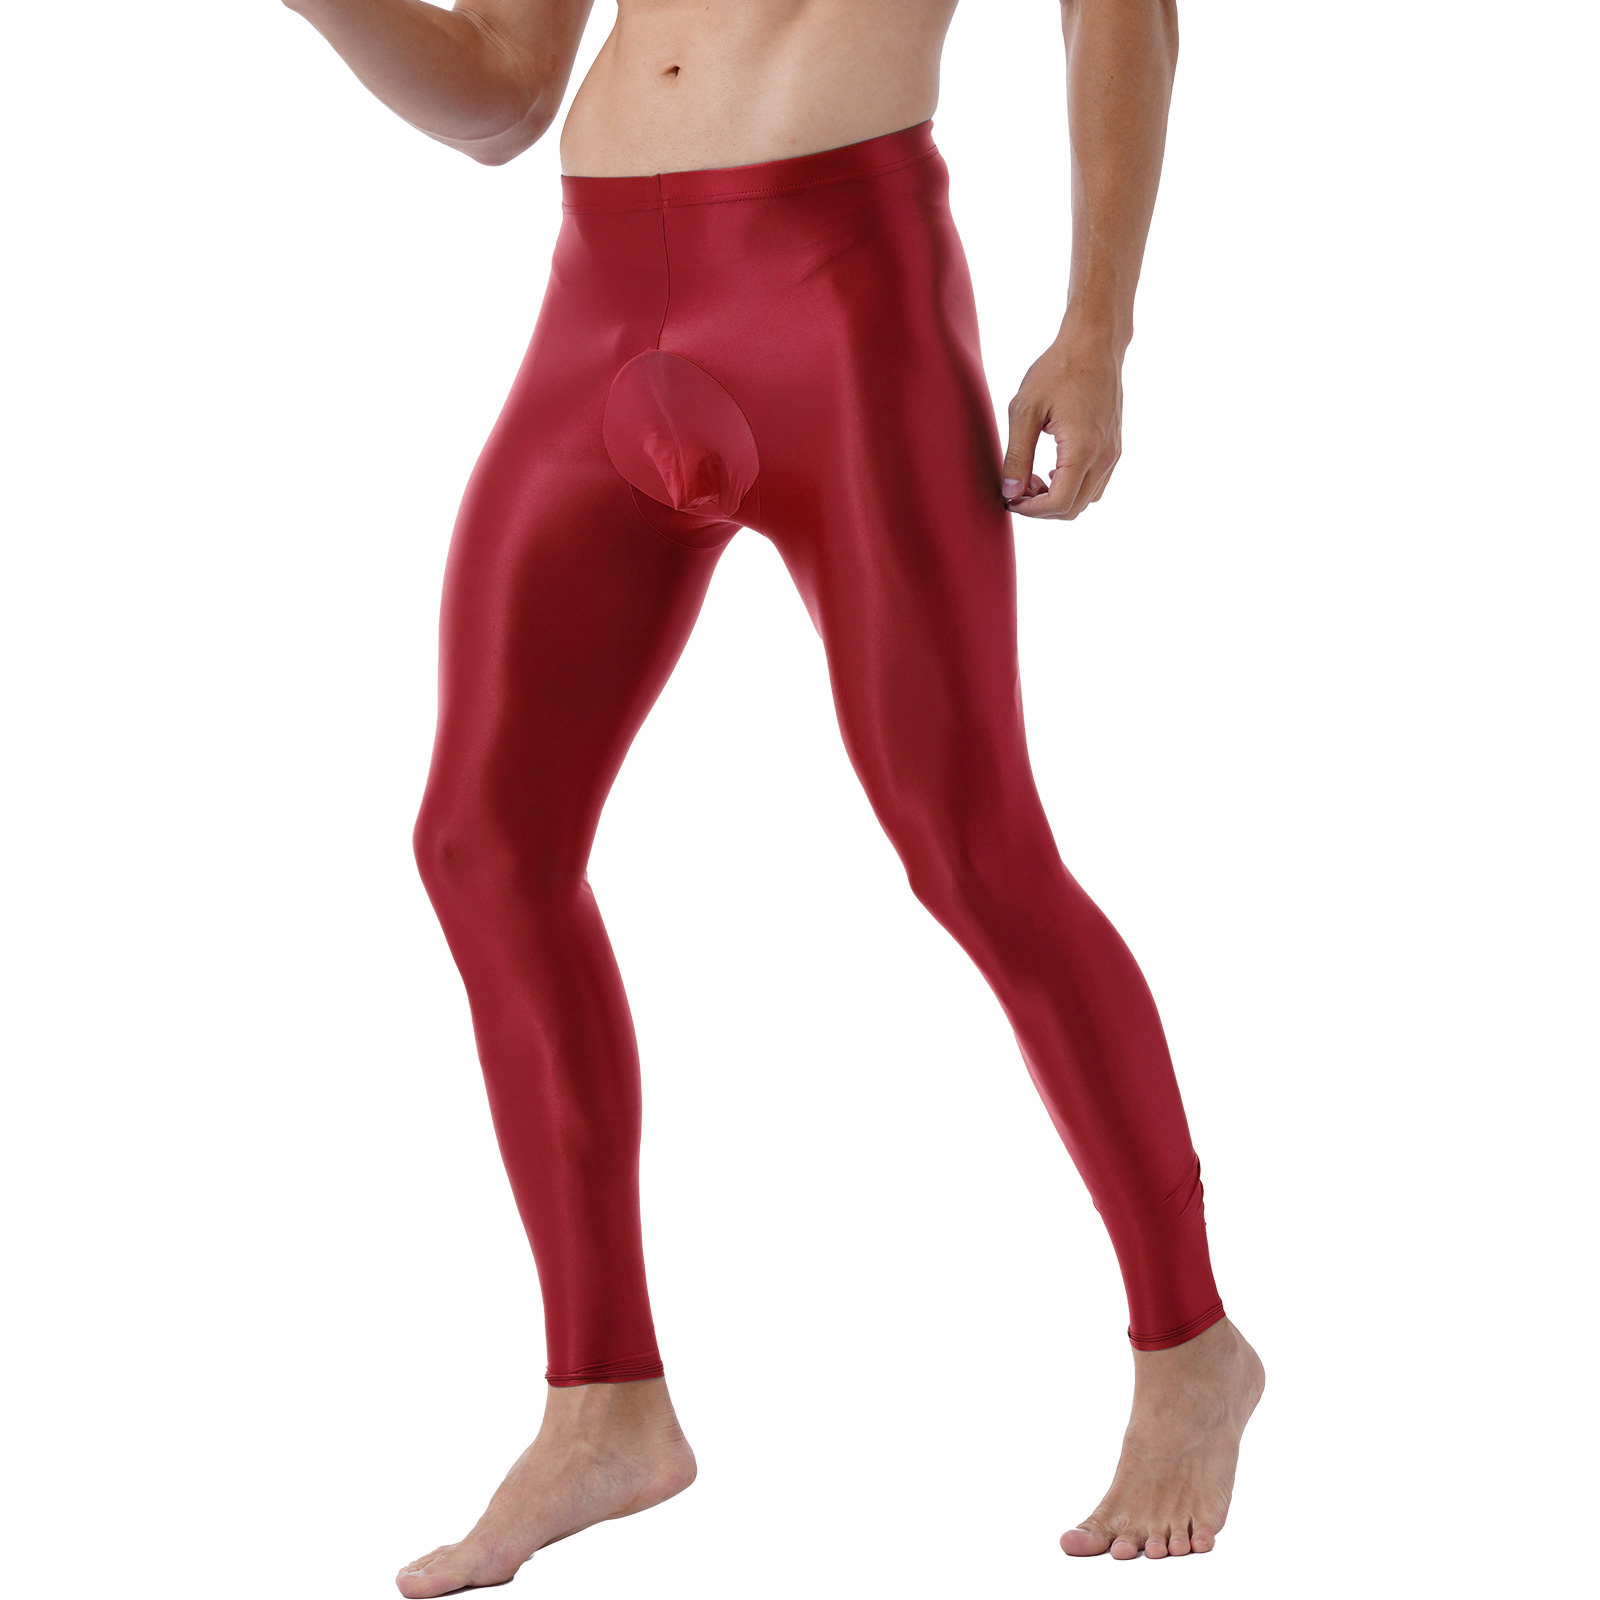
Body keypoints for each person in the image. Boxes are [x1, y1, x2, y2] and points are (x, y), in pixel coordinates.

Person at [280, 0, 1265, 1589]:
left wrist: (1098, 326)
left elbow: (1118, 13)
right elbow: (501, 99)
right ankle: (605, 1403)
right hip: (599, 307)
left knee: (971, 848)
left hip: (839, 296)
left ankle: (1192, 1345)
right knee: (481, 844)